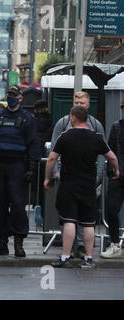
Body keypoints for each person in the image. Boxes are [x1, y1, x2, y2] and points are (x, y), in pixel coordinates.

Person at [45, 106, 119, 268]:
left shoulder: (65, 136)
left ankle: (65, 256)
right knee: (88, 223)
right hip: (88, 186)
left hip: (68, 184)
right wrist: (116, 170)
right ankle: (88, 258)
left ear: (73, 118)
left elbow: (51, 158)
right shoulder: (96, 137)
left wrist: (47, 177)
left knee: (69, 221)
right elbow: (112, 156)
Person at [0, 86, 40, 257]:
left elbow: (33, 144)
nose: (11, 98)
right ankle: (2, 242)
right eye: (9, 95)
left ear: (20, 98)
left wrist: (32, 167)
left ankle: (18, 243)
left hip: (18, 166)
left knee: (17, 206)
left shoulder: (27, 118)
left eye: (14, 95)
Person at [50, 91, 105, 258]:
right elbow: (53, 149)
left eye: (82, 102)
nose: (79, 105)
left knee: (84, 217)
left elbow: (104, 153)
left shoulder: (95, 125)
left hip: (88, 179)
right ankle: (70, 248)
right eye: (76, 102)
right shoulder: (63, 123)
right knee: (67, 216)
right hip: (66, 177)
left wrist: (99, 175)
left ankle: (80, 247)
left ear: (88, 105)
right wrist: (55, 173)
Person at [101, 99, 124, 259]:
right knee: (111, 209)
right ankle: (115, 244)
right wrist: (112, 171)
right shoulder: (117, 126)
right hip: (118, 175)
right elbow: (110, 150)